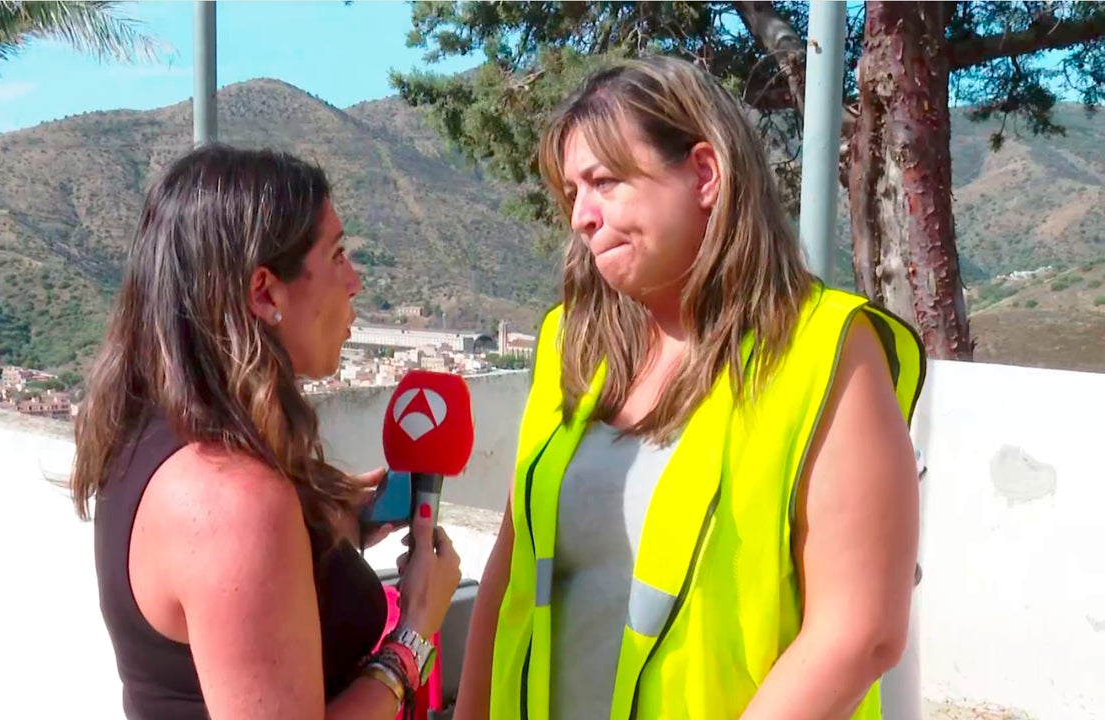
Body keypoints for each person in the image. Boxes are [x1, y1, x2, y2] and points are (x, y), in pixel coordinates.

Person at [453, 55, 925, 720]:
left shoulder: (829, 351)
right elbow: (511, 569)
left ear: (705, 173)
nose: (581, 216)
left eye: (606, 182)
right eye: (572, 193)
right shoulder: (569, 343)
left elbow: (861, 631)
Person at [67, 144, 462, 720]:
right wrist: (416, 632)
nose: (353, 282)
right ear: (265, 292)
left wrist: (338, 521)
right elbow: (237, 541)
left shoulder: (156, 438)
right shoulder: (232, 500)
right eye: (338, 256)